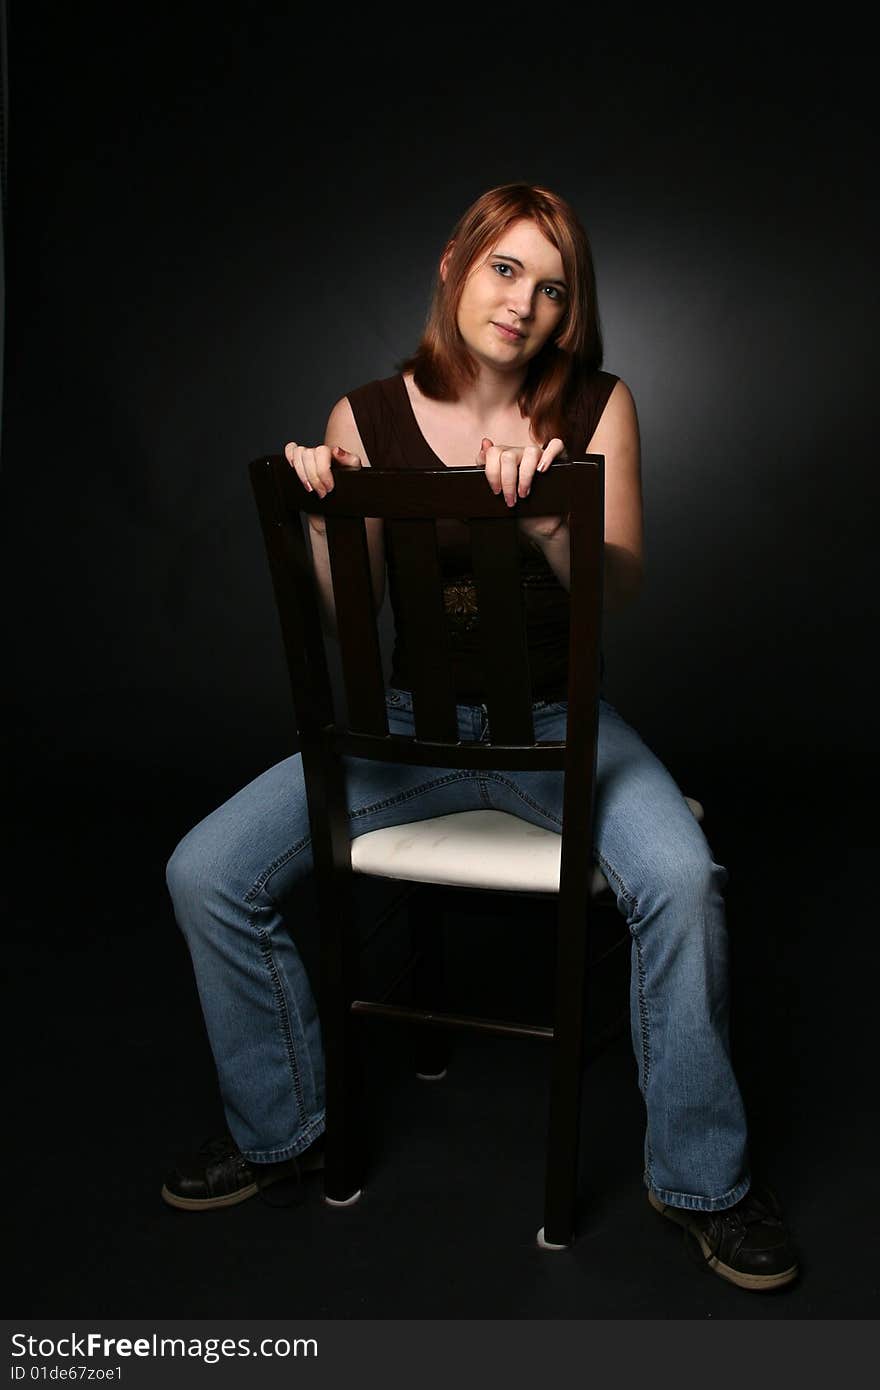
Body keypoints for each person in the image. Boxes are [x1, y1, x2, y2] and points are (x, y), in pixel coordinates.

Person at [162, 182, 798, 1291]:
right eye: (505, 270)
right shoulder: (364, 414)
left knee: (684, 882)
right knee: (205, 869)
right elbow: (344, 610)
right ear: (456, 266)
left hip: (562, 732)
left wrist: (554, 517)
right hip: (404, 728)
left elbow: (627, 581)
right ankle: (283, 1132)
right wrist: (323, 515)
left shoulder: (599, 404)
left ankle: (704, 1184)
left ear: (569, 312)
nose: (524, 304)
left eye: (552, 289)